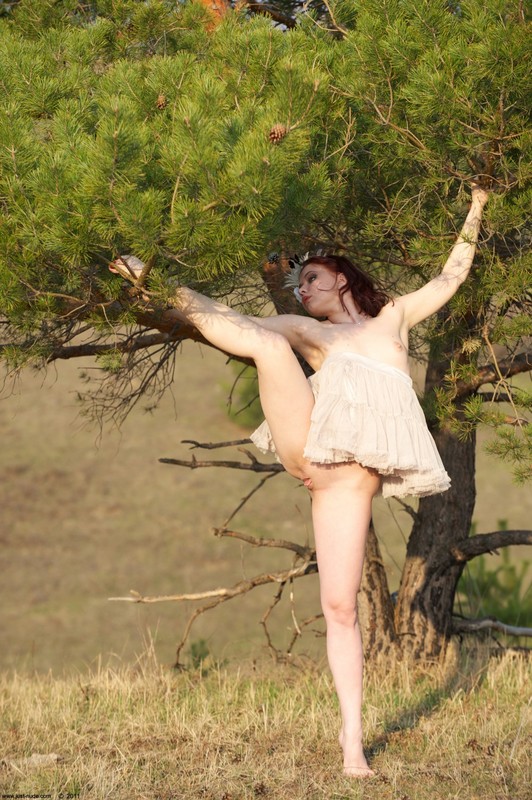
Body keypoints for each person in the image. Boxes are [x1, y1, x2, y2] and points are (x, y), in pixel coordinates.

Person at [109, 183, 489, 777]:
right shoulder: (309, 333)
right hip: (311, 448)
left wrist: (477, 207)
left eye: (311, 278)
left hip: (349, 486)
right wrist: (154, 282)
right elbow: (229, 320)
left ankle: (352, 740)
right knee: (263, 341)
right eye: (299, 284)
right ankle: (140, 270)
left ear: (341, 276)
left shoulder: (393, 318)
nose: (302, 289)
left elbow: (450, 277)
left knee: (340, 607)